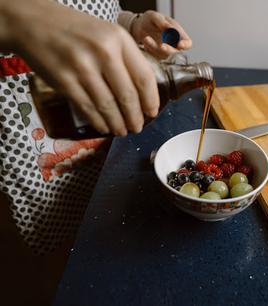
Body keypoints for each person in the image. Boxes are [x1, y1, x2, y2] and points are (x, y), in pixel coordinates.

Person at [0, 0, 192, 255]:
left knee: (102, 227)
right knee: (54, 260)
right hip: (30, 128)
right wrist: (14, 16)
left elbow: (91, 7)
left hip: (100, 139)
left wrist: (129, 24)